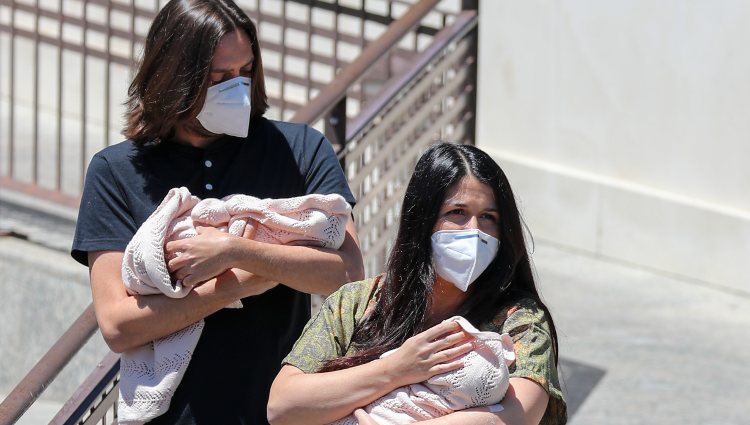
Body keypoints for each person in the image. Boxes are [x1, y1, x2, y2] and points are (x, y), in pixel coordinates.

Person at [70, 0, 364, 423]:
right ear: (173, 77)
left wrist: (236, 252)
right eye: (219, 77)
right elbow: (118, 325)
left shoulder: (300, 150)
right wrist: (239, 284)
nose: (237, 88)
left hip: (277, 410)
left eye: (245, 72)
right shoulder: (116, 170)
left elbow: (348, 272)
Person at [267, 143, 567, 425]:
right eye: (457, 213)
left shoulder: (520, 319)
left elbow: (517, 415)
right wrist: (397, 369)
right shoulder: (357, 303)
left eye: (488, 217)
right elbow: (282, 405)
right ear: (421, 220)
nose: (475, 231)